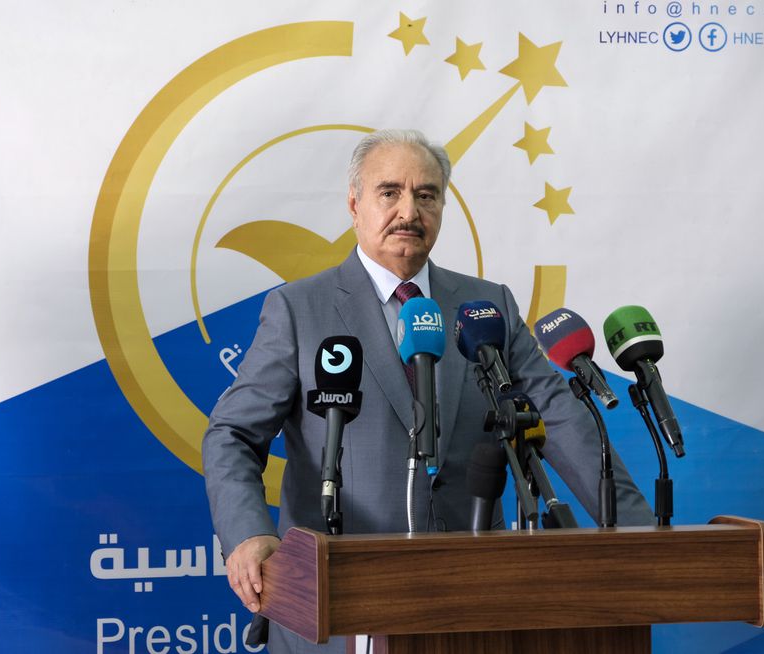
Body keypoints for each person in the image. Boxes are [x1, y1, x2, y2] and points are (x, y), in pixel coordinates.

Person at [202, 129, 654, 653]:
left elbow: (561, 421)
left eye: (426, 195)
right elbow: (232, 432)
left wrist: (639, 538)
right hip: (338, 607)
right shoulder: (300, 309)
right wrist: (247, 535)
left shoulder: (488, 307)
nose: (408, 211)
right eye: (389, 192)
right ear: (355, 205)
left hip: (472, 606)